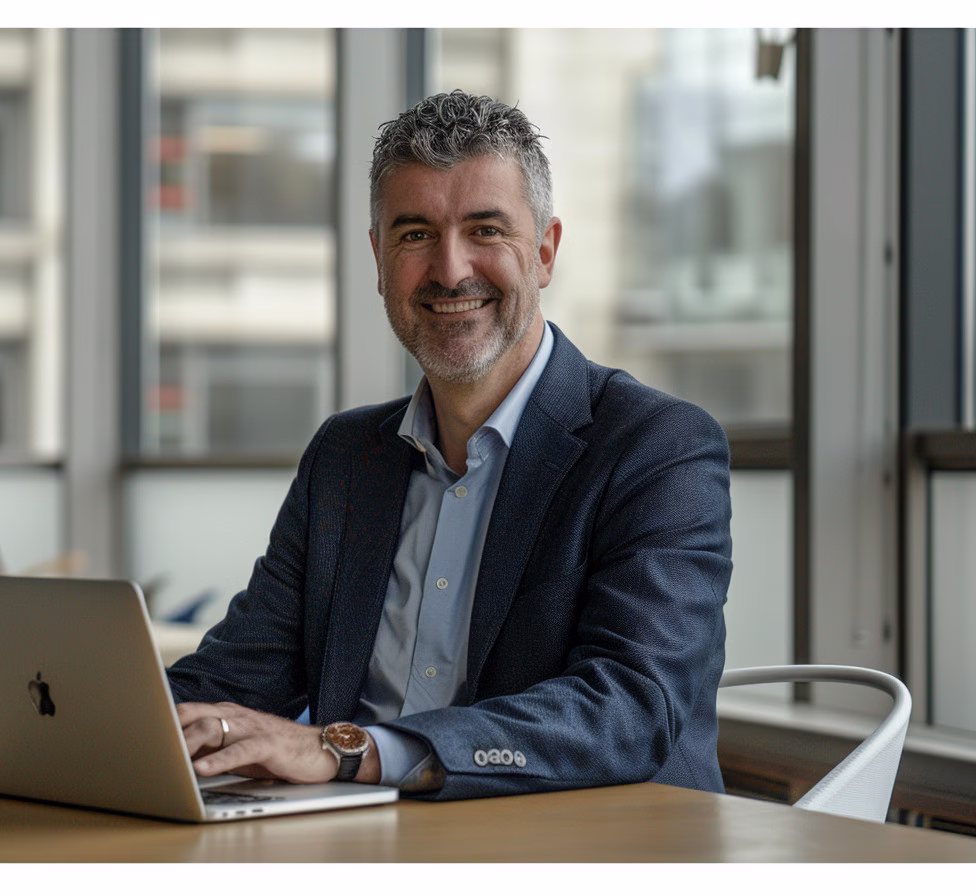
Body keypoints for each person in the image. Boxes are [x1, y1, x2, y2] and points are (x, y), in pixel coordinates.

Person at [166, 90, 732, 800]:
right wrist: (88, 717)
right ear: (379, 259)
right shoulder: (345, 458)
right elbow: (234, 680)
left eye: (485, 230)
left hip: (578, 841)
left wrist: (348, 751)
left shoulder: (658, 448)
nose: (450, 269)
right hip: (360, 838)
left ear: (545, 251)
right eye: (414, 235)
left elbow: (628, 709)